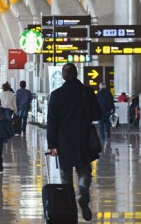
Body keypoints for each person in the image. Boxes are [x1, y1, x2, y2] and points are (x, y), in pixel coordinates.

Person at [47, 63, 102, 222]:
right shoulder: (87, 92)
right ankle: (82, 193)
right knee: (85, 172)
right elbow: (97, 114)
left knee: (65, 178)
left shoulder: (56, 94)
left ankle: (70, 208)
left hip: (63, 142)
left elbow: (52, 122)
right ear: (77, 74)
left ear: (63, 76)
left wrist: (52, 145)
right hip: (83, 139)